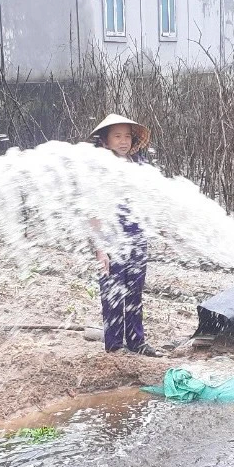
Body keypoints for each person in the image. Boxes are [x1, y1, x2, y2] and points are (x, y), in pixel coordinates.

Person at [88, 114, 163, 357]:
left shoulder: (138, 166)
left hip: (137, 235)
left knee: (135, 290)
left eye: (127, 136)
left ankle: (136, 341)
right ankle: (114, 345)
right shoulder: (99, 170)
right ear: (106, 141)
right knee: (112, 291)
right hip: (111, 238)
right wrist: (100, 248)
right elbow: (94, 210)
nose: (123, 141)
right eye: (117, 136)